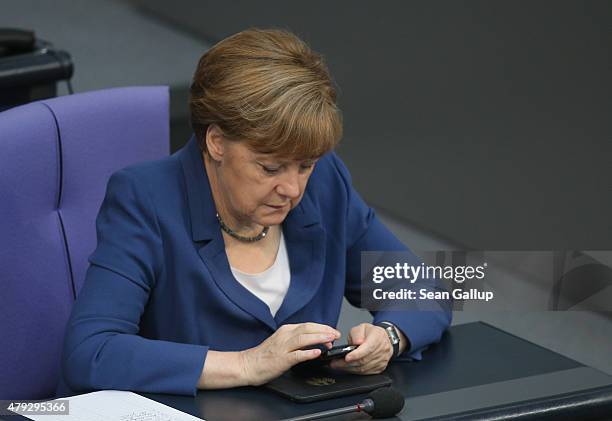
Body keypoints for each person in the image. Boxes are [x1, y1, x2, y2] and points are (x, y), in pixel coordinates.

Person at [57, 28, 451, 397]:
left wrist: (389, 337)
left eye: (305, 165)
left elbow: (422, 284)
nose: (293, 189)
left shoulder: (325, 180)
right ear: (216, 142)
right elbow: (92, 352)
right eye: (270, 168)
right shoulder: (145, 197)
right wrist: (248, 364)